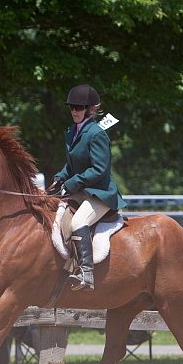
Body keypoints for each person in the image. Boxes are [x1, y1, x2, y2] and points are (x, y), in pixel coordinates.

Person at [47, 84, 127, 291]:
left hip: (100, 194)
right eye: (72, 107)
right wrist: (60, 177)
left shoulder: (97, 133)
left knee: (78, 222)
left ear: (91, 109)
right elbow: (73, 164)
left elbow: (99, 169)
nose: (74, 111)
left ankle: (86, 272)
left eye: (79, 107)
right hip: (82, 192)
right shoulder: (72, 132)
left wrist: (72, 183)